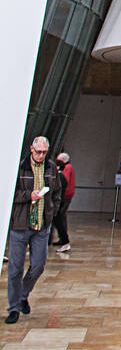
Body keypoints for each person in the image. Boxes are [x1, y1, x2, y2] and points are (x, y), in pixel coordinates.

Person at [5, 135, 64, 324]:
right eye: (38, 152)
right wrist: (27, 195)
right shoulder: (20, 167)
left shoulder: (51, 168)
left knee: (38, 264)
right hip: (21, 224)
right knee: (15, 268)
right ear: (31, 149)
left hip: (41, 224)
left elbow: (57, 192)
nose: (41, 155)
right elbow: (10, 192)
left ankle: (23, 294)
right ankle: (13, 307)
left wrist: (52, 211)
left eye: (44, 152)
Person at [52, 151, 75, 251]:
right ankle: (63, 240)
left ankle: (64, 240)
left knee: (59, 217)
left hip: (64, 196)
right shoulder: (67, 168)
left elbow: (62, 182)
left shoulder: (67, 168)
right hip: (64, 196)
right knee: (59, 218)